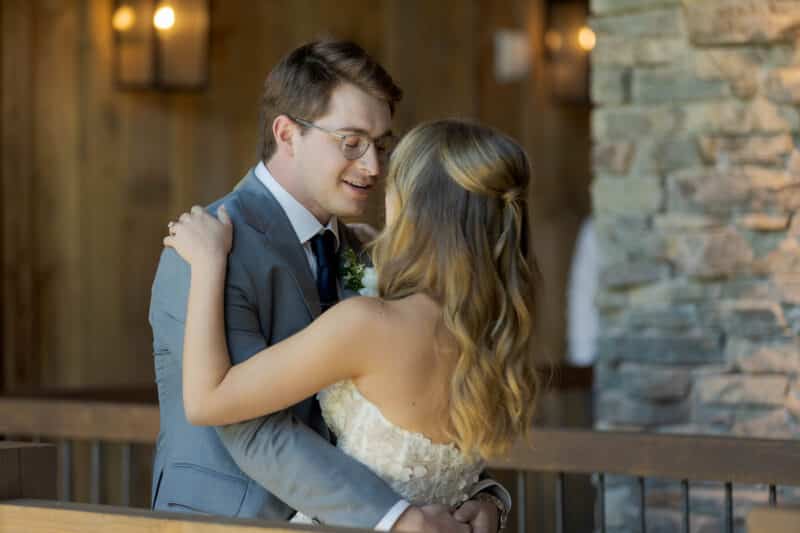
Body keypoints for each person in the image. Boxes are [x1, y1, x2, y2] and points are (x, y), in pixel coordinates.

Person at [149, 40, 509, 532]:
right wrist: (394, 517)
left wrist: (480, 494)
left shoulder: (366, 249)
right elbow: (247, 424)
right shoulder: (208, 247)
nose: (374, 167)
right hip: (230, 522)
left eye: (381, 145)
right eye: (352, 142)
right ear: (287, 134)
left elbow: (406, 408)